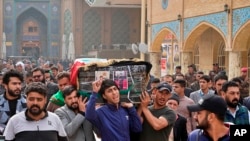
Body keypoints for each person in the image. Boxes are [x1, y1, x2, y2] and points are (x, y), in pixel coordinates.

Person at [3, 82, 68, 141]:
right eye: (31, 99)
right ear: (26, 99)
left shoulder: (55, 119)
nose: (35, 103)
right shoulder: (14, 121)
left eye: (39, 99)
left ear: (45, 100)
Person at [0, 70, 26, 135]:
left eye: (19, 84)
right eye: (14, 84)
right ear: (5, 85)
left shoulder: (27, 102)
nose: (18, 87)